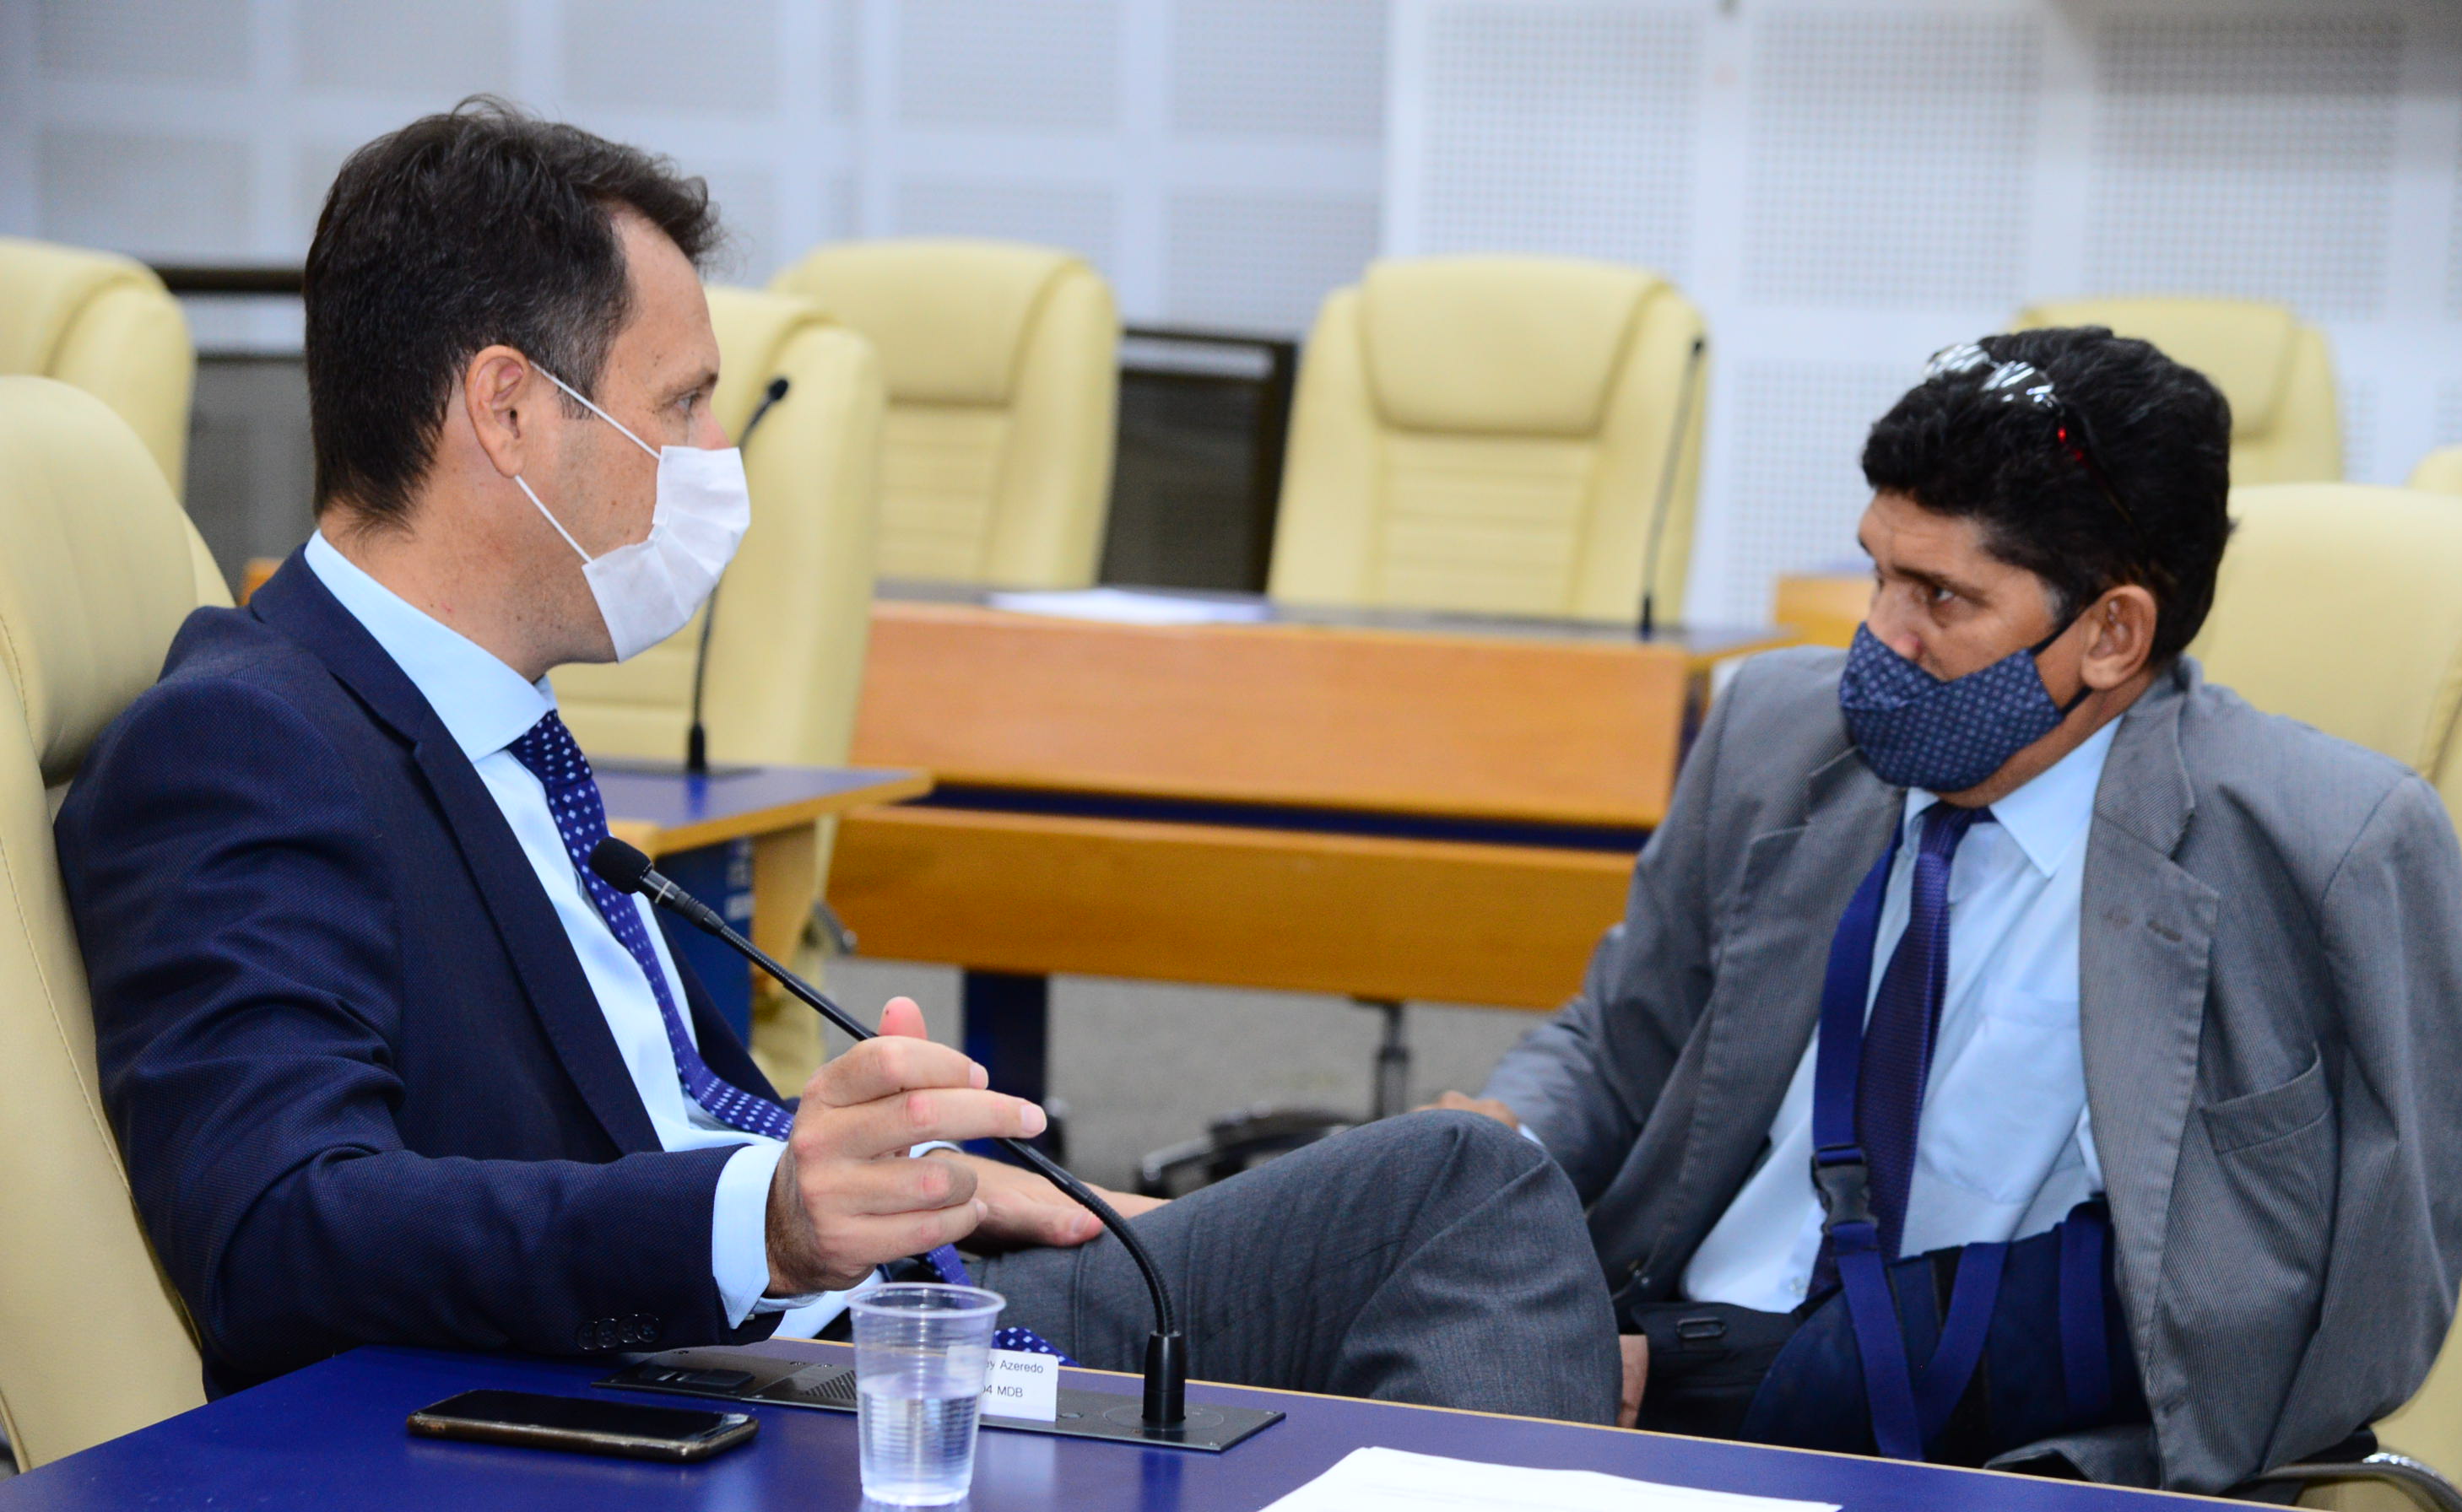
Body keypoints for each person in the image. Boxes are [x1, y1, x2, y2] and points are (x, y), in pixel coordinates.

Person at [56, 100, 1616, 1421]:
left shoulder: (492, 723)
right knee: (1460, 1202)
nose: (713, 460)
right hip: (678, 1401)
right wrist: (769, 1218)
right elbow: (275, 1228)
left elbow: (634, 1108)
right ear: (510, 413)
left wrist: (906, 1181)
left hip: (839, 1320)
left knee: (1461, 1211)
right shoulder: (245, 740)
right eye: (682, 405)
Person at [1443, 330, 2462, 1493]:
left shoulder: (2324, 851)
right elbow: (1617, 1046)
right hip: (1640, 1379)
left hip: (2001, 1475)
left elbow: (2352, 1291)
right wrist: (1506, 1143)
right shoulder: (1773, 732)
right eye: (1879, 573)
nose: (1880, 638)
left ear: (2112, 635)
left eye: (1941, 597)